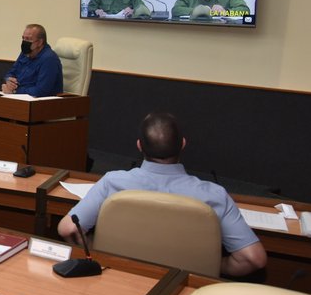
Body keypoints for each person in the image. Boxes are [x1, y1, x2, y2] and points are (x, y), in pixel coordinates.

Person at [57, 112, 267, 277]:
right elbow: (253, 259)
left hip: (120, 278)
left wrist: (102, 249)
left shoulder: (113, 182)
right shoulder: (215, 195)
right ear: (183, 144)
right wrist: (213, 264)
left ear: (139, 146)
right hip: (184, 290)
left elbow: (68, 228)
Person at [2, 24, 63, 97]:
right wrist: (8, 81)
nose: (24, 42)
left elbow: (41, 91)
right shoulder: (25, 53)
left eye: (28, 39)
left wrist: (15, 91)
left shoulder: (49, 59)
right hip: (20, 98)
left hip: (41, 103)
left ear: (40, 42)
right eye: (23, 38)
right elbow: (11, 72)